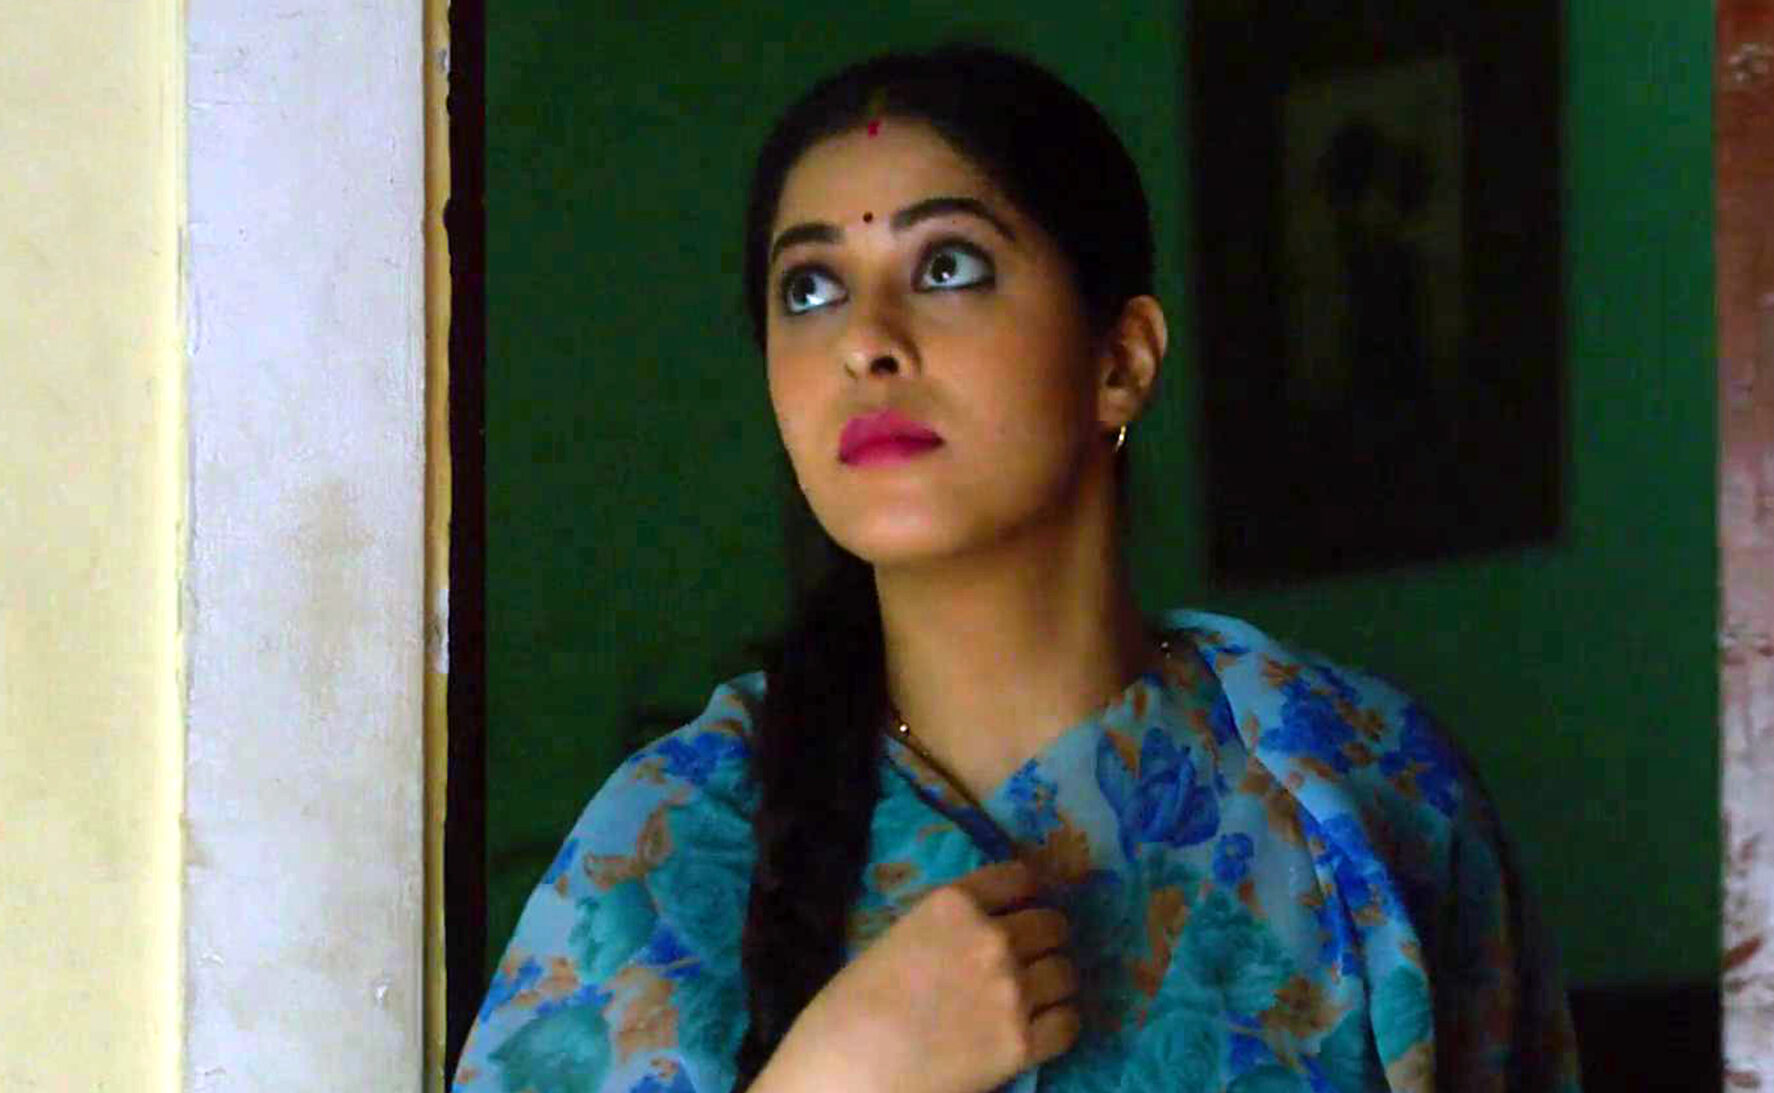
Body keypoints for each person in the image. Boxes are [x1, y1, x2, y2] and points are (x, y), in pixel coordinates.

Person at [453, 44, 1581, 1093]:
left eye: (946, 265)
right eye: (809, 289)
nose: (864, 340)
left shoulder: (1363, 789)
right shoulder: (667, 847)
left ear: (1120, 360)